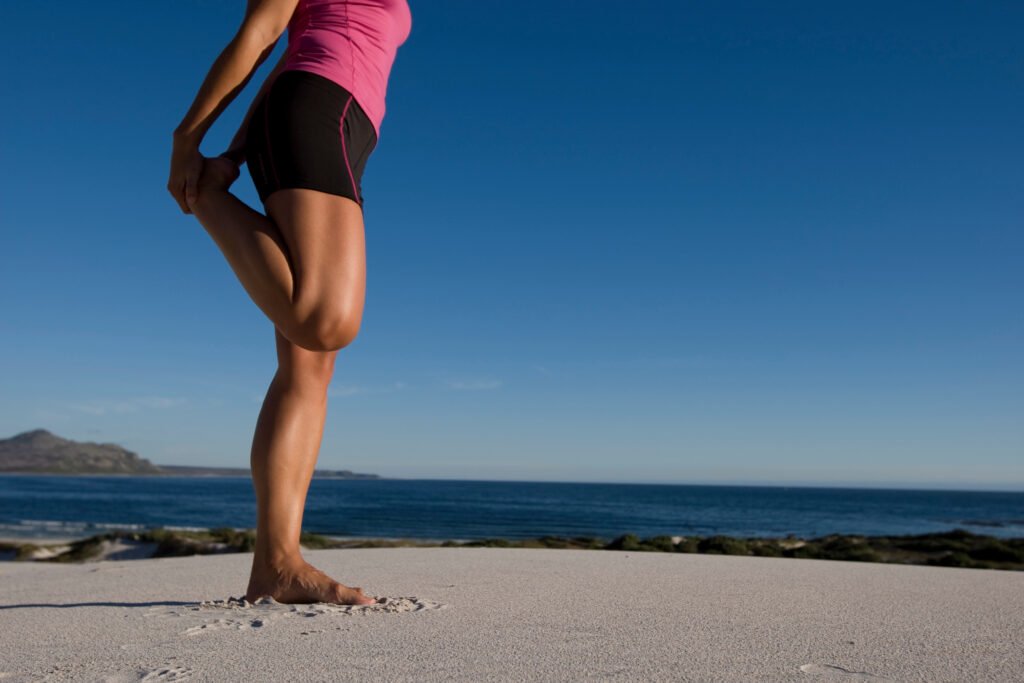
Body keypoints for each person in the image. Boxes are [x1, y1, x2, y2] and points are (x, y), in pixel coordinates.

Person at [166, 0, 412, 605]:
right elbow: (264, 30)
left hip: (335, 123)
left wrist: (236, 155)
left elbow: (288, 55)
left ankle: (275, 566)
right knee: (325, 321)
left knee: (308, 364)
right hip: (317, 106)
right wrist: (188, 142)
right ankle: (204, 200)